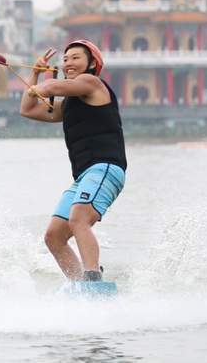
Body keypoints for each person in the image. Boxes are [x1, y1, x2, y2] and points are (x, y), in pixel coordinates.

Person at [18, 40, 127, 284]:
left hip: (106, 168)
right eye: (65, 59)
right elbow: (28, 110)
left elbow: (53, 87)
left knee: (79, 218)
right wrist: (35, 74)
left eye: (76, 57)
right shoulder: (68, 105)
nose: (68, 62)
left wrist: (45, 86)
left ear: (91, 64)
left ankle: (93, 281)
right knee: (54, 237)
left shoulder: (93, 83)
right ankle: (79, 285)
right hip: (84, 176)